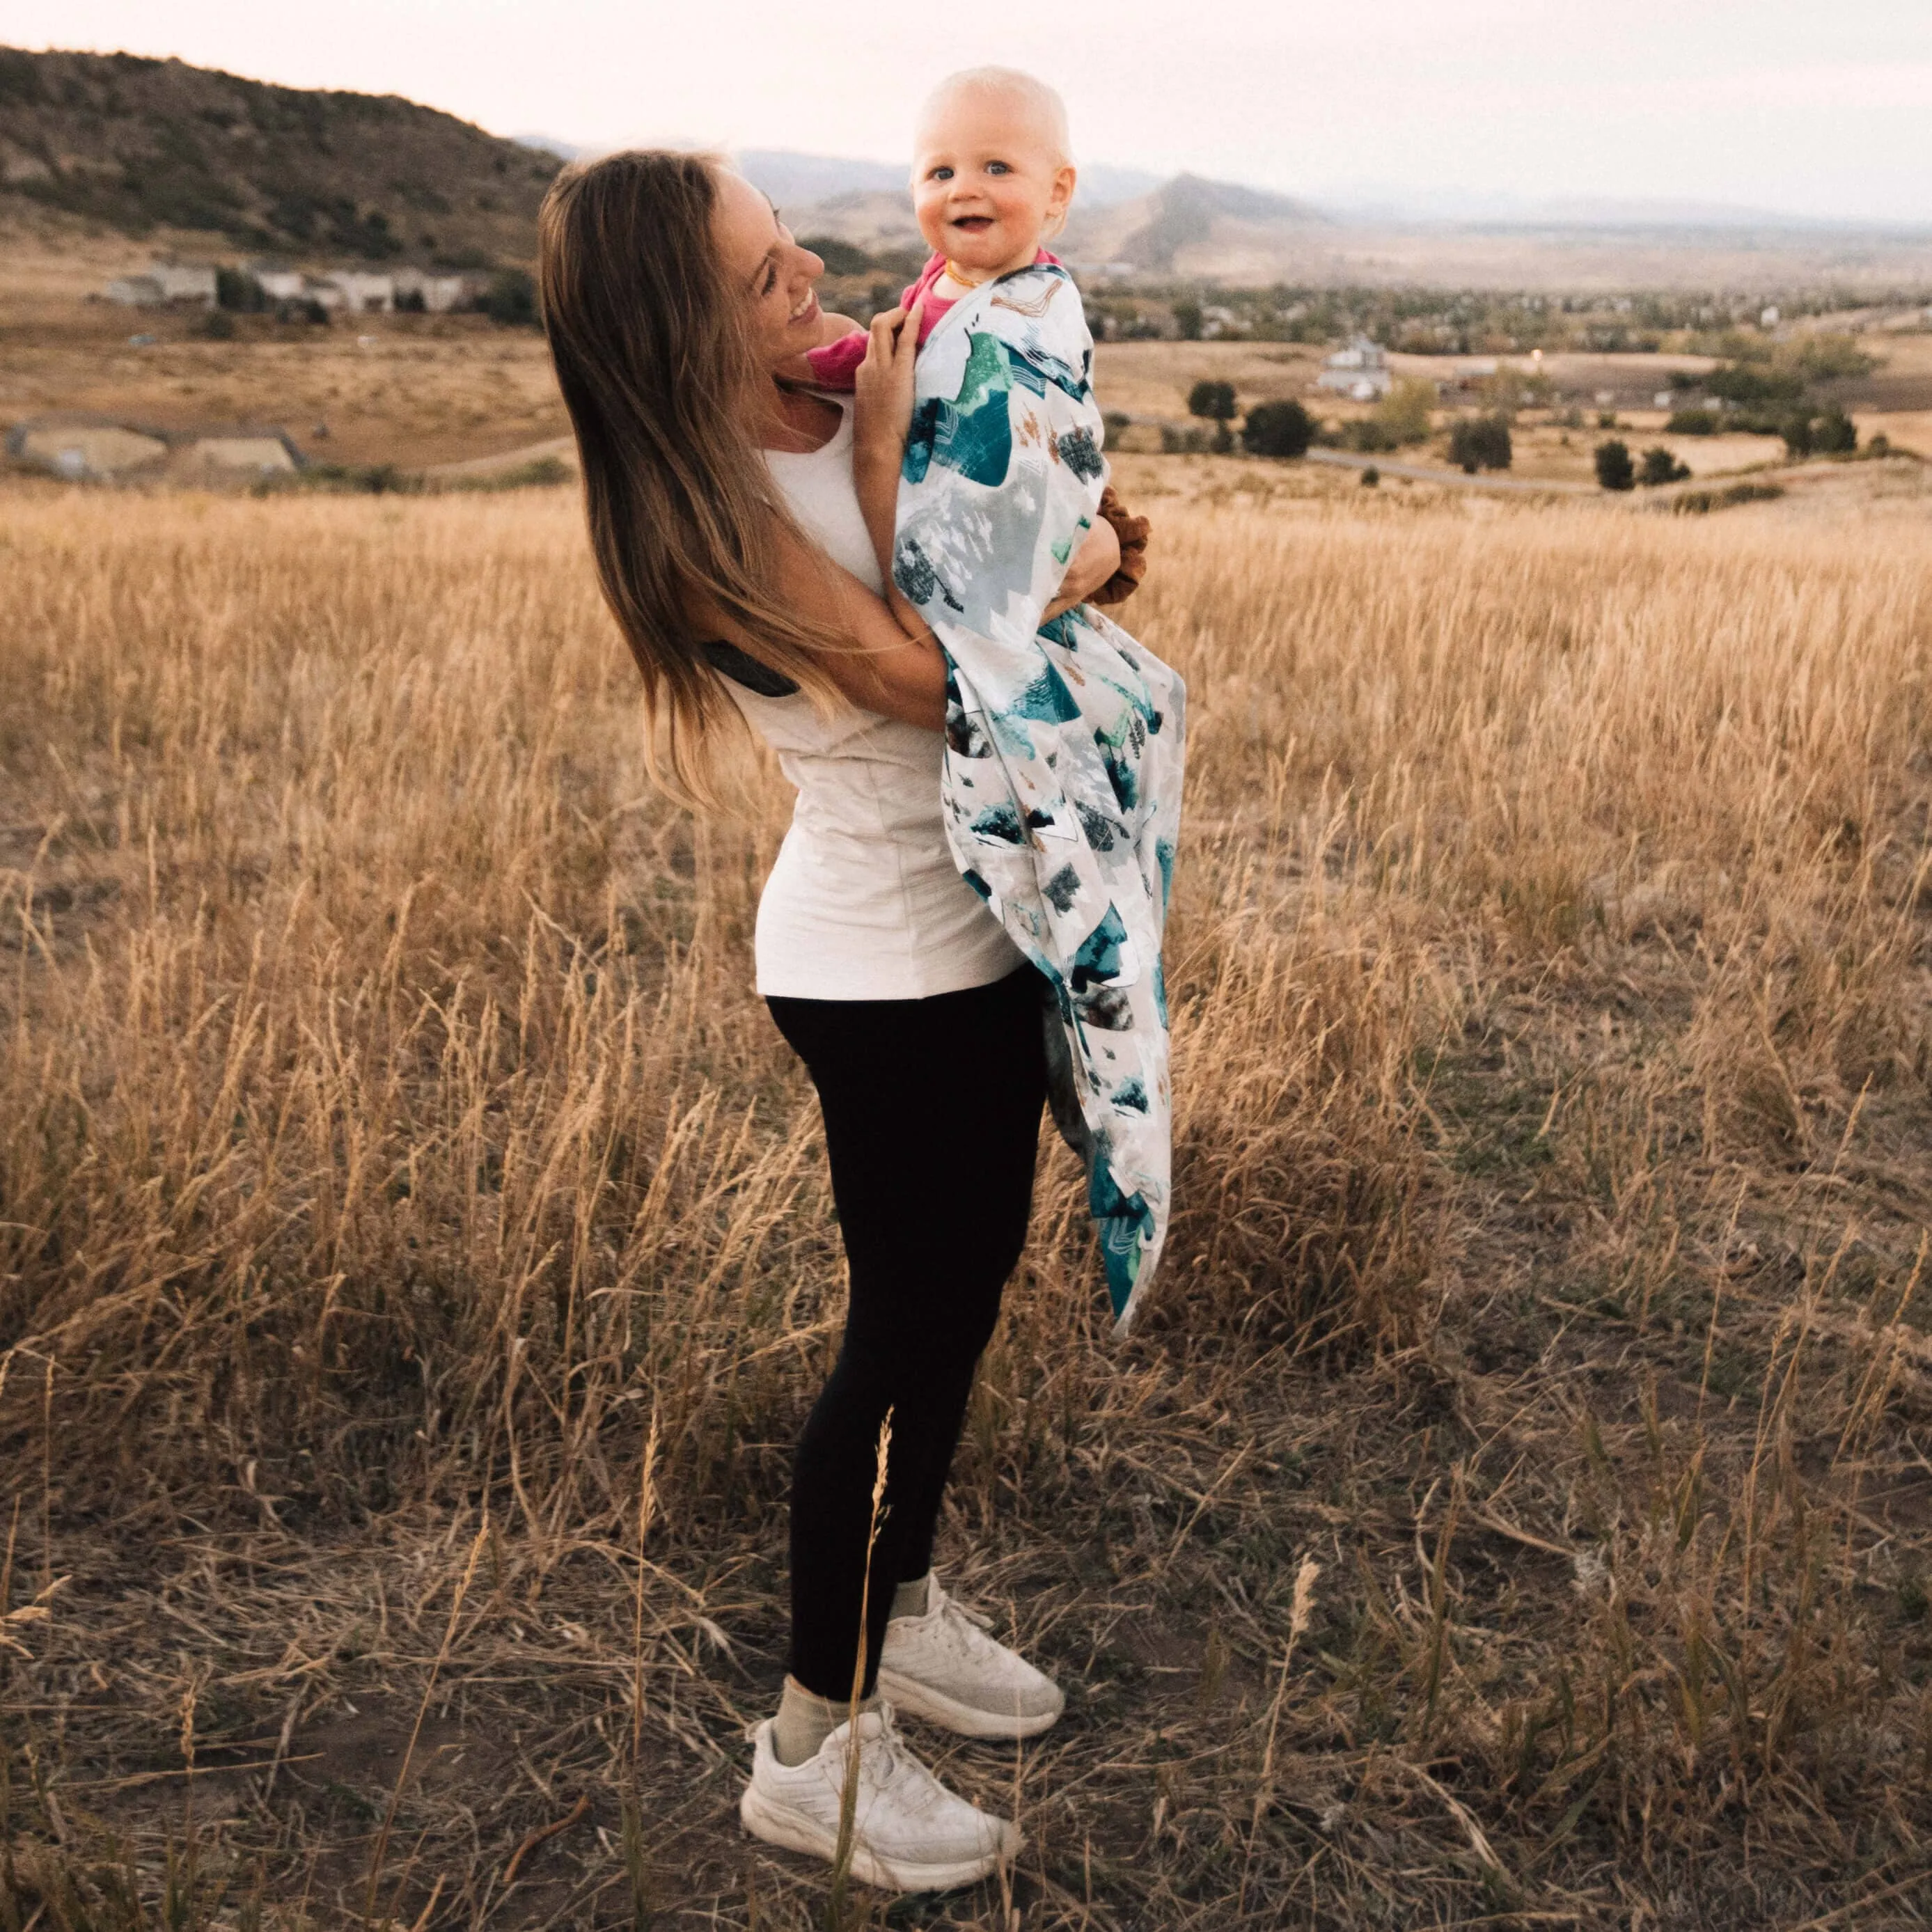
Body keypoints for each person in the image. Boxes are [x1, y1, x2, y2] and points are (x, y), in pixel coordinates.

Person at [537, 151, 1132, 1894]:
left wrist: (1067, 512)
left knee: (964, 1295)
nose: (811, 274)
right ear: (670, 332)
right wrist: (1053, 545)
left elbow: (1019, 507)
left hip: (979, 927)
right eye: (759, 275)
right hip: (879, 966)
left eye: (785, 238)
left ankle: (913, 1600)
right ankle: (817, 1744)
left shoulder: (833, 384)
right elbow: (925, 673)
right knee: (900, 1338)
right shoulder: (697, 516)